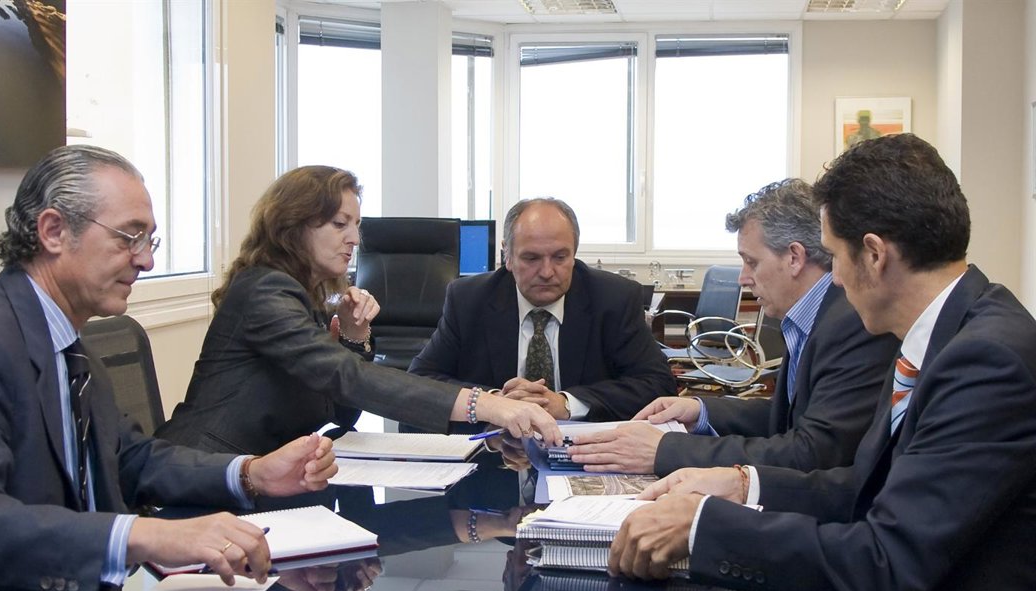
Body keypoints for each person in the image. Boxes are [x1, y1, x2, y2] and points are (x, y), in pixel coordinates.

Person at [608, 134, 1036, 591]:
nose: (832, 280)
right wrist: (740, 487)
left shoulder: (987, 359)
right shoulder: (948, 333)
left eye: (833, 258)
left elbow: (882, 564)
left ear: (875, 254)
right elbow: (860, 488)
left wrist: (701, 528)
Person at [0, 145, 340, 591]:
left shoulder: (65, 341)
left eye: (150, 240)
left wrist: (252, 473)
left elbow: (129, 458)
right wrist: (148, 535)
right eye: (130, 237)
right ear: (53, 231)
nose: (146, 259)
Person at [155, 166, 561, 456]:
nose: (354, 238)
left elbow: (340, 410)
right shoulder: (264, 291)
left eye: (356, 224)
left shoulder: (305, 296)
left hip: (266, 469)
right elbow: (346, 377)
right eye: (339, 224)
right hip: (208, 470)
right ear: (292, 226)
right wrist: (486, 404)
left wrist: (352, 337)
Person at [566, 179, 897, 475]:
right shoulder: (812, 316)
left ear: (794, 257)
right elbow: (786, 418)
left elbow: (813, 451)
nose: (743, 278)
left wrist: (666, 451)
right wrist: (700, 410)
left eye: (751, 262)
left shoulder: (851, 325)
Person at [408, 198, 676, 427]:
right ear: (507, 255)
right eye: (531, 258)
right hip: (493, 450)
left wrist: (566, 404)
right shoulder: (469, 299)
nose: (547, 272)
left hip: (584, 452)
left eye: (560, 257)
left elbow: (658, 383)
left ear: (574, 253)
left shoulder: (614, 298)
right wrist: (492, 403)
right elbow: (420, 380)